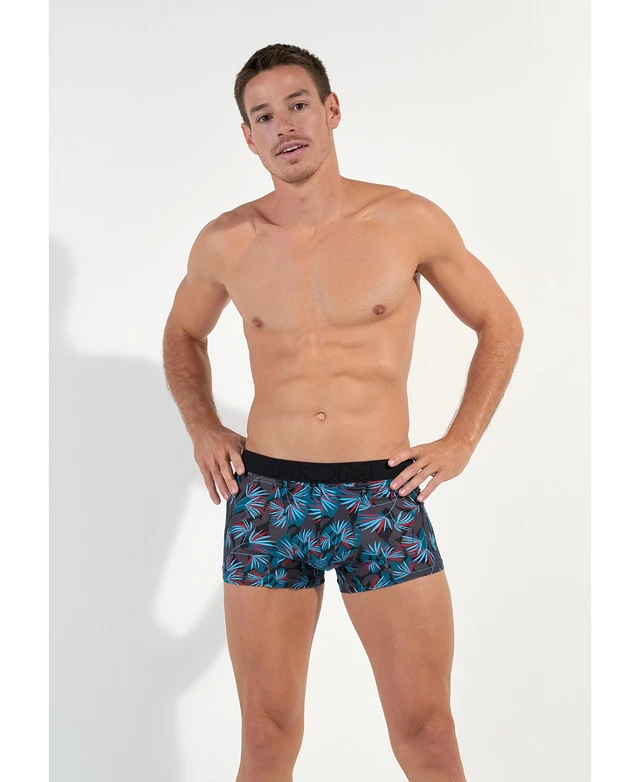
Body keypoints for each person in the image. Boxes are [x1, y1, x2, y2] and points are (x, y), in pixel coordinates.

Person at [162, 42, 523, 782]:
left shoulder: (406, 220)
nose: (285, 126)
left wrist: (461, 440)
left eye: (298, 104)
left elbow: (500, 323)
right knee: (266, 738)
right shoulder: (227, 241)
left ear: (331, 110)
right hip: (268, 499)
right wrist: (201, 424)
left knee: (427, 733)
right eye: (264, 116)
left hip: (381, 495)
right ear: (248, 137)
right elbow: (181, 335)